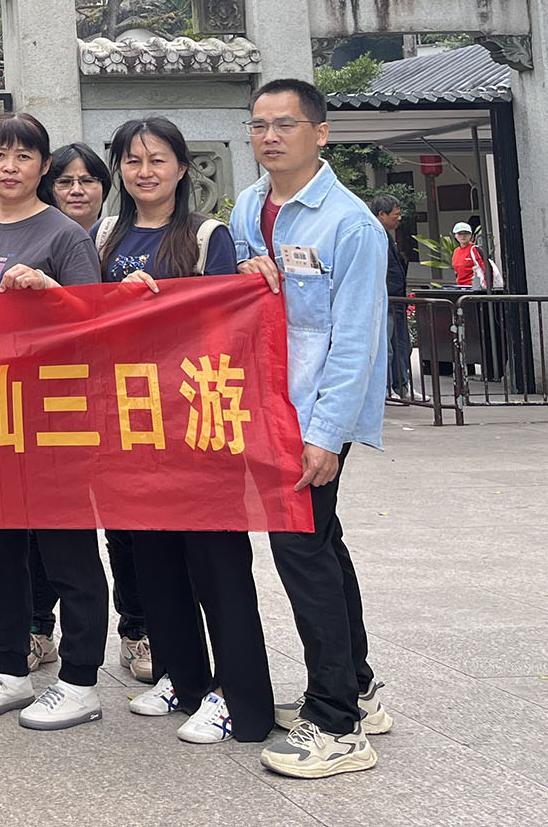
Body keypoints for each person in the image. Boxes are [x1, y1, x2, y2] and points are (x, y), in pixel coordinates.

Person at [231, 78, 393, 778]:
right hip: (270, 406)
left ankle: (335, 724)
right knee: (320, 543)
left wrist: (324, 435)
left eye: (285, 125)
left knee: (300, 553)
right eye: (259, 125)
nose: (270, 136)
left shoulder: (349, 224)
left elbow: (355, 338)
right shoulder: (247, 205)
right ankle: (355, 687)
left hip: (314, 415)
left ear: (319, 134)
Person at [96, 117, 273, 748]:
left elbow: (224, 321)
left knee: (215, 560)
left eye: (158, 159)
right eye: (132, 160)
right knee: (153, 555)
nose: (145, 171)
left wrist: (162, 302)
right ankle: (183, 676)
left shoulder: (207, 234)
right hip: (132, 418)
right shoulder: (106, 232)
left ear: (181, 168)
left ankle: (238, 695)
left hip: (197, 417)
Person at [0, 111, 109, 732]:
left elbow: (95, 325)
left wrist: (48, 291)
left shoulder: (66, 237)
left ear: (42, 166)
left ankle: (82, 679)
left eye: (24, 156)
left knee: (67, 548)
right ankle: (11, 666)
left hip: (52, 416)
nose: (10, 167)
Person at [46, 141, 149, 687]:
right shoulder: (32, 237)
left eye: (88, 181)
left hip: (114, 400)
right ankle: (40, 628)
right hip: (46, 403)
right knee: (45, 523)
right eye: (65, 181)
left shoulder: (118, 241)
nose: (76, 191)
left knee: (122, 525)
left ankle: (137, 631)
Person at [370, 195, 412, 401]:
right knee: (386, 348)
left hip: (398, 301)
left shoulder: (388, 237)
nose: (400, 218)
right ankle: (387, 389)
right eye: (396, 214)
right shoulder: (373, 236)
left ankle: (402, 385)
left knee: (402, 345)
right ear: (381, 215)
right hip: (384, 301)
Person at [450, 222, 501, 290]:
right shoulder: (456, 251)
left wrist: (488, 288)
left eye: (466, 233)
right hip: (461, 288)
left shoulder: (475, 250)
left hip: (475, 289)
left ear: (471, 235)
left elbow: (487, 268)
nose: (463, 236)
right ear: (455, 235)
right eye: (460, 233)